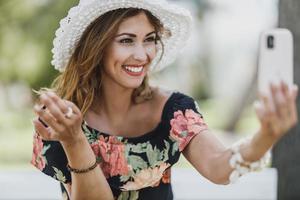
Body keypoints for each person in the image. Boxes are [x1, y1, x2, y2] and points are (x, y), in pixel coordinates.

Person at [30, 0, 298, 200]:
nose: (142, 54)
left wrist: (266, 136)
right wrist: (74, 140)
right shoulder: (61, 121)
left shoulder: (173, 110)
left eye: (149, 39)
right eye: (126, 40)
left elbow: (219, 166)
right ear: (96, 46)